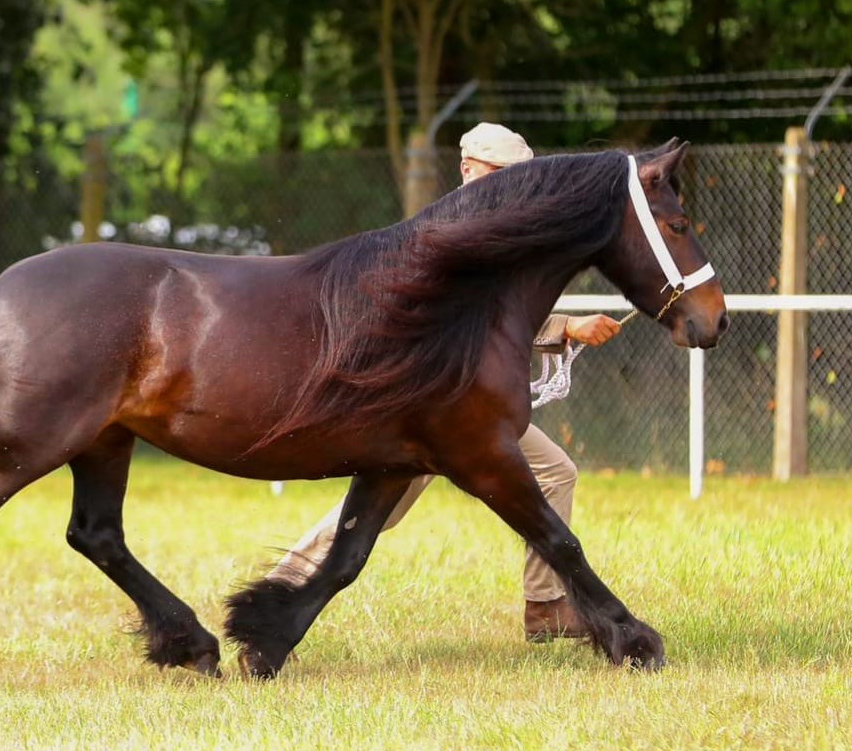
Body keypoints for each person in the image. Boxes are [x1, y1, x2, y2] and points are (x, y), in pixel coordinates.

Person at [266, 122, 622, 642]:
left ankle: (545, 608)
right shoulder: (449, 235)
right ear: (467, 170)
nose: (507, 187)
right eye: (497, 175)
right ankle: (280, 594)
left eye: (513, 178)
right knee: (372, 517)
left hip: (469, 408)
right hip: (429, 409)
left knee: (556, 472)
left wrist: (560, 328)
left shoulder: (486, 231)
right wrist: (566, 327)